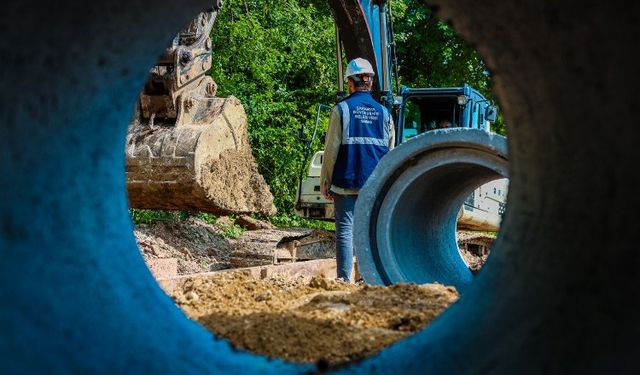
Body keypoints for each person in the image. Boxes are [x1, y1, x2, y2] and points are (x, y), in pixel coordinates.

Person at [320, 58, 395, 282]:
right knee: (369, 233)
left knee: (345, 231)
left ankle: (344, 280)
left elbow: (331, 150)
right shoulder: (384, 113)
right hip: (374, 184)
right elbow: (390, 152)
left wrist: (326, 181)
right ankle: (369, 278)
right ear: (370, 82)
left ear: (350, 83)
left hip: (346, 180)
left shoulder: (341, 110)